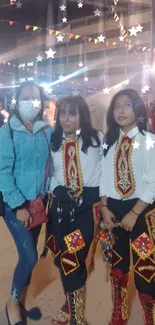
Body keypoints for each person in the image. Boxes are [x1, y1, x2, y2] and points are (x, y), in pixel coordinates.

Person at [100, 88, 155, 325]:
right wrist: (104, 207)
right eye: (117, 106)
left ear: (138, 109)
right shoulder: (109, 144)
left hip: (141, 211)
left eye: (127, 105)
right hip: (113, 211)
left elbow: (153, 181)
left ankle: (150, 315)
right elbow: (103, 178)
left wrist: (134, 213)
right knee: (118, 264)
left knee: (146, 265)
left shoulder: (149, 141)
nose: (121, 111)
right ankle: (119, 312)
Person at [46, 96, 102, 325]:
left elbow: (106, 172)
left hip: (86, 210)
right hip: (59, 210)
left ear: (83, 115)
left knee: (73, 257)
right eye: (63, 114)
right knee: (61, 258)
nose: (66, 119)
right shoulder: (53, 141)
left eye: (73, 113)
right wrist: (57, 189)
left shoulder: (97, 139)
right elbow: (48, 175)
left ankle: (78, 318)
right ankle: (69, 304)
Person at [0, 82, 53, 325]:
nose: (31, 102)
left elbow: (52, 164)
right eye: (26, 97)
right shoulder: (7, 131)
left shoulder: (45, 130)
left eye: (35, 97)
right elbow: (3, 171)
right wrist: (19, 206)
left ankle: (20, 303)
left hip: (38, 204)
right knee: (29, 257)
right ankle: (11, 303)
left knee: (27, 260)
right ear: (16, 101)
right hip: (16, 206)